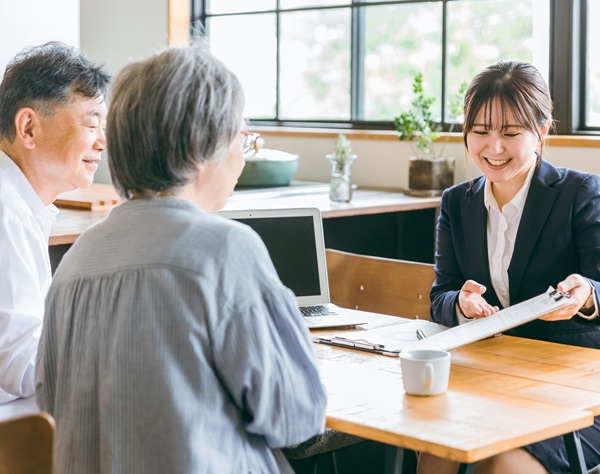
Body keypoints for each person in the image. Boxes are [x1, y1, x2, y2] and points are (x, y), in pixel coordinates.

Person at [35, 43, 327, 474]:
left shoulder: (77, 260)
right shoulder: (227, 248)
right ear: (200, 147)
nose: (241, 157)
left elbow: (50, 402)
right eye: (239, 137)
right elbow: (297, 418)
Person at [424, 60, 600, 474]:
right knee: (437, 454)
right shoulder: (456, 202)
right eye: (480, 132)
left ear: (541, 131)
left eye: (510, 133)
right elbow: (440, 294)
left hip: (572, 388)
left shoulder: (580, 193)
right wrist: (461, 305)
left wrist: (587, 294)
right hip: (490, 378)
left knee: (501, 465)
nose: (493, 148)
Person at [0, 42, 109, 404]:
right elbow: (22, 361)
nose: (102, 142)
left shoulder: (19, 203)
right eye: (91, 123)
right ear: (28, 127)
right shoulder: (7, 211)